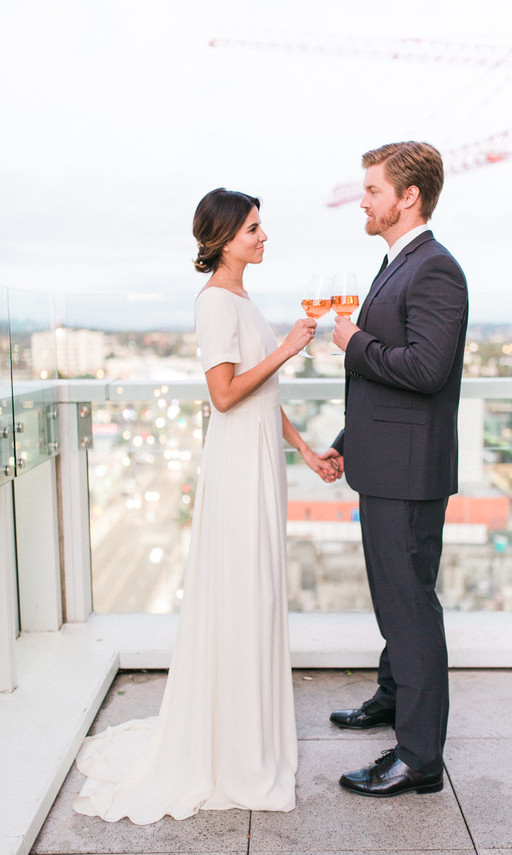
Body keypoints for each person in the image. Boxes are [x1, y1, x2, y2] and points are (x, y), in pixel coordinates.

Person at [73, 188, 337, 824]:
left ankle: (248, 736)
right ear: (222, 239)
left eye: (261, 227)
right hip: (237, 464)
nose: (263, 236)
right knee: (241, 592)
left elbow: (264, 394)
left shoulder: (242, 297)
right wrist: (288, 348)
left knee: (258, 593)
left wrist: (301, 449)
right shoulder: (216, 302)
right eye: (252, 229)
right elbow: (224, 396)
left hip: (260, 459)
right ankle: (234, 749)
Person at [321, 142, 468, 798]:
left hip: (408, 474)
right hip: (385, 464)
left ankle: (418, 758)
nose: (364, 199)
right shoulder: (398, 263)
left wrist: (356, 343)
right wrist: (348, 440)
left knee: (409, 606)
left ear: (408, 197)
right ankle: (392, 696)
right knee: (396, 598)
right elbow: (389, 385)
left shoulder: (434, 269)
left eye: (373, 189)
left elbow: (425, 369)